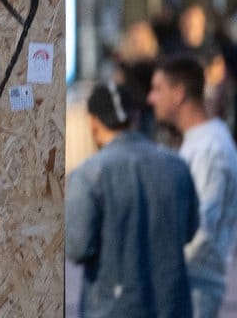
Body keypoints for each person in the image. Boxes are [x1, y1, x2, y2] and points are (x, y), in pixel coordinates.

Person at [66, 82, 198, 318]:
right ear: (135, 117)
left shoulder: (89, 175)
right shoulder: (176, 166)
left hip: (111, 309)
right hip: (171, 307)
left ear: (93, 122)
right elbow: (189, 231)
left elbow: (77, 248)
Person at [148, 55, 237, 318]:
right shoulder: (198, 142)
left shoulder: (212, 148)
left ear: (179, 94)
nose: (151, 98)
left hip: (194, 289)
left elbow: (202, 231)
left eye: (158, 89)